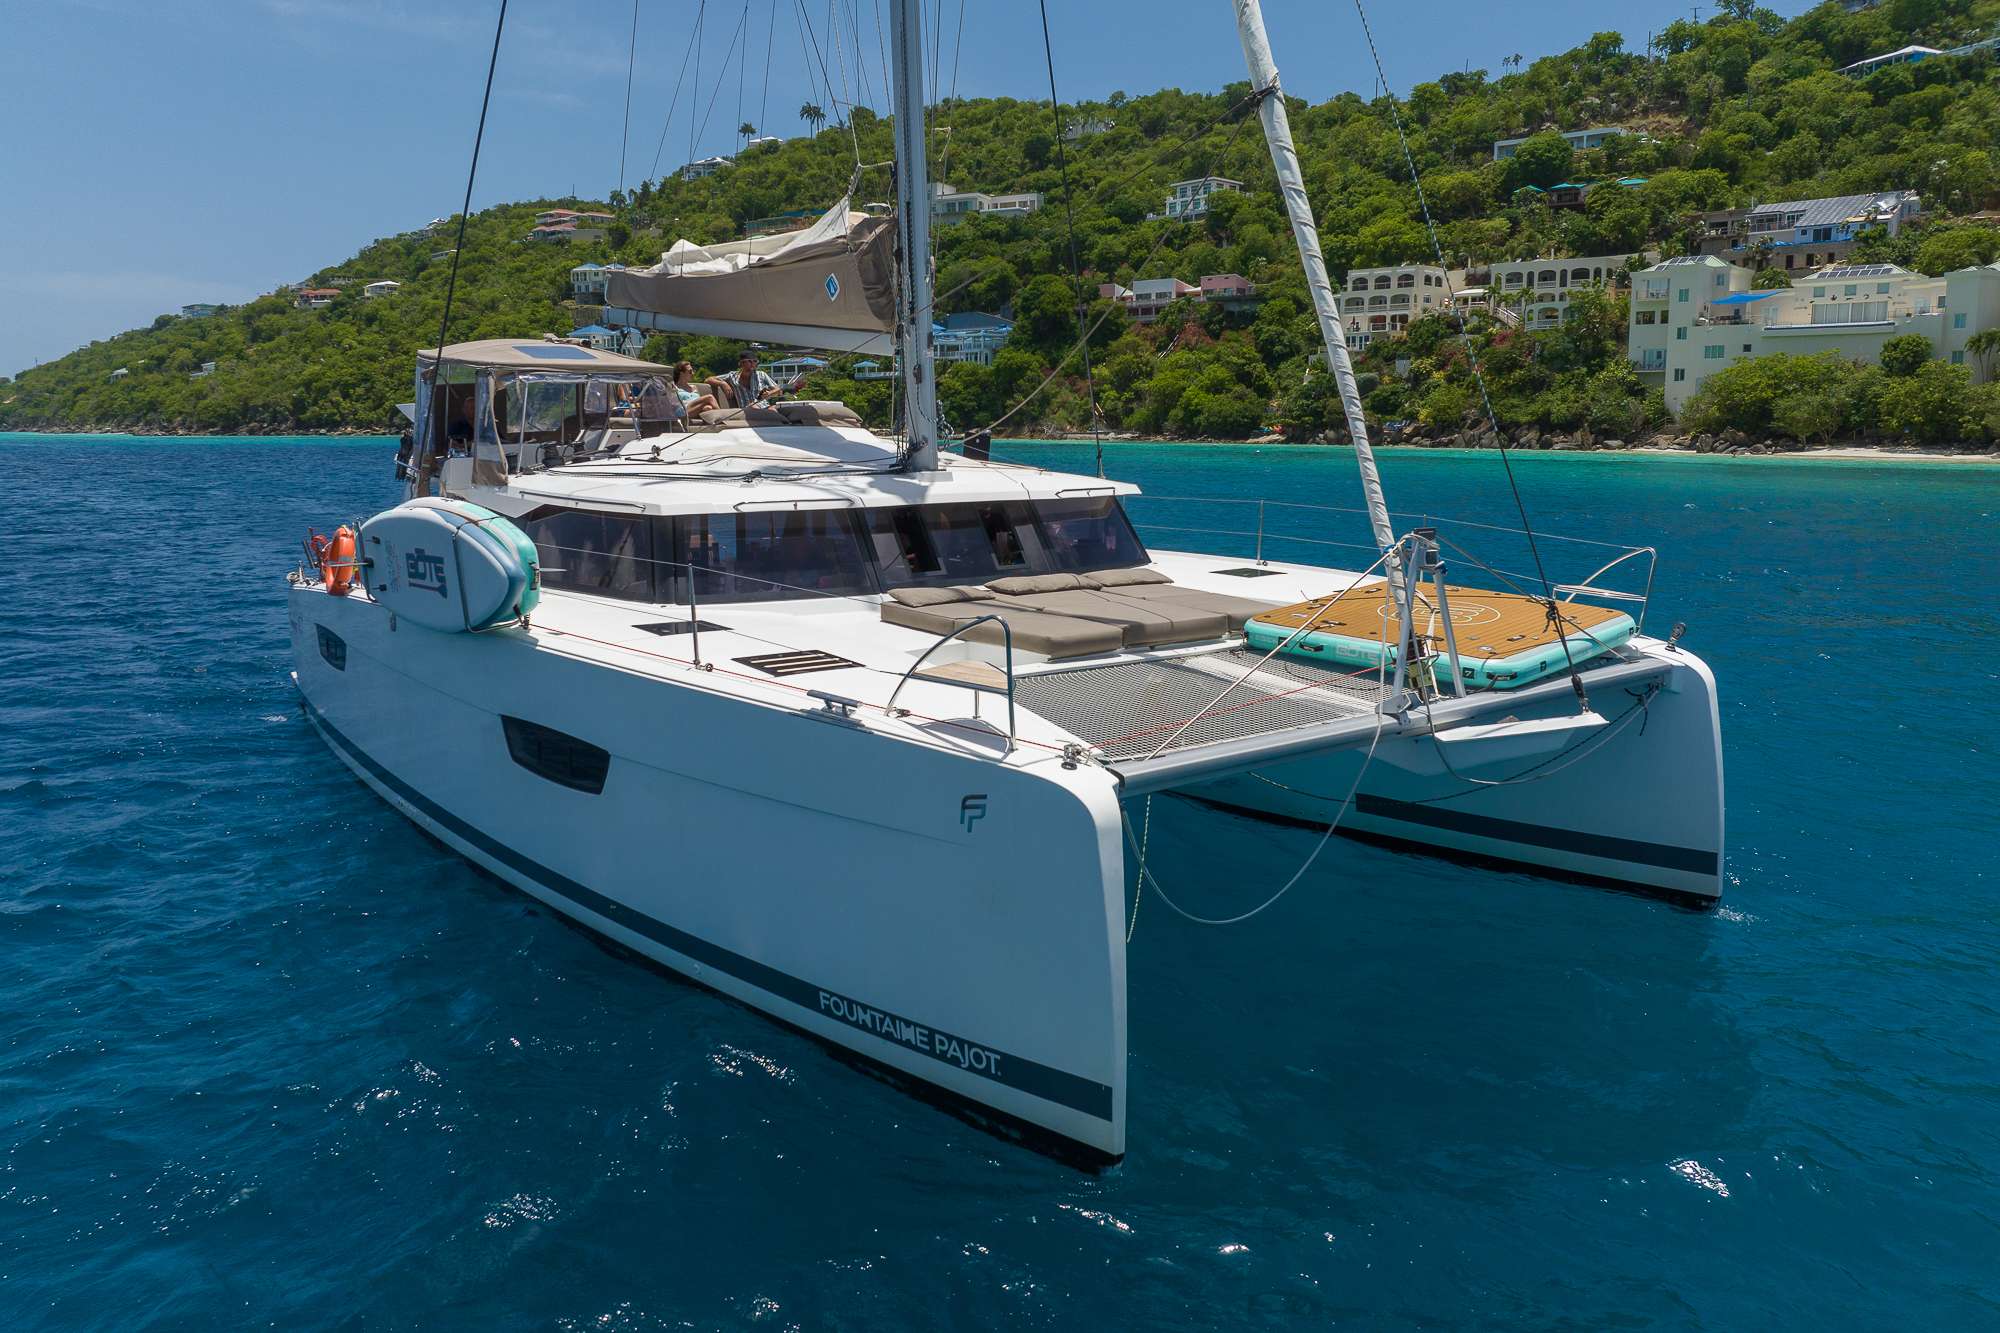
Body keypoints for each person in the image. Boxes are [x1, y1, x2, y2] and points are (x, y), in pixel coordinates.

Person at [707, 350, 782, 409]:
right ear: (741, 363)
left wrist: (770, 393)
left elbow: (778, 390)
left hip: (764, 406)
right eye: (749, 361)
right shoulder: (732, 376)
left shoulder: (761, 374)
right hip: (746, 409)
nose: (753, 363)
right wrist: (723, 384)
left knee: (776, 409)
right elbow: (708, 379)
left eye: (755, 361)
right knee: (754, 407)